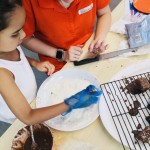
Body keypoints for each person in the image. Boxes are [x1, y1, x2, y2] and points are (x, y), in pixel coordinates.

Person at [0, 0, 102, 136]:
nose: (24, 35)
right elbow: (28, 116)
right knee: (24, 133)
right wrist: (72, 101)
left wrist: (34, 63)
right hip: (17, 115)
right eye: (15, 33)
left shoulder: (8, 46)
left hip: (31, 100)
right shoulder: (2, 75)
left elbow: (17, 59)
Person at [22, 0, 111, 72]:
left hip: (89, 47)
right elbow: (24, 38)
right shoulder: (28, 3)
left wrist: (99, 38)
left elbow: (104, 13)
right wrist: (61, 54)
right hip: (55, 60)